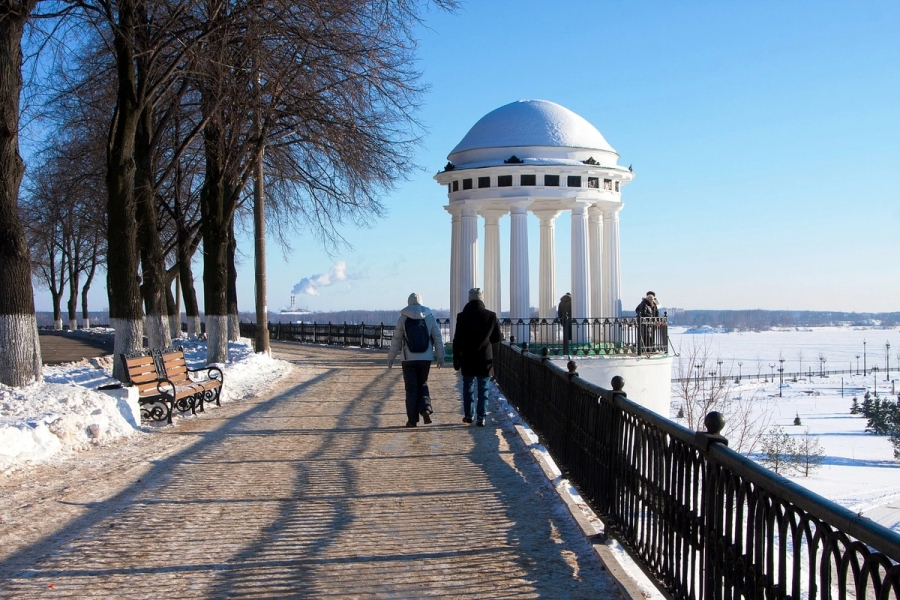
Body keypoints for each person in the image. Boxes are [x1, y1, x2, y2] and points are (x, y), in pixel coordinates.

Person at [387, 293, 445, 427]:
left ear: (409, 303)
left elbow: (396, 340)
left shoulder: (403, 318)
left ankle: (412, 420)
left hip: (409, 359)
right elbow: (437, 337)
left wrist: (391, 357)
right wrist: (440, 356)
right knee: (423, 383)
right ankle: (425, 409)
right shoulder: (429, 316)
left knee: (411, 388)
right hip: (425, 358)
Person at [452, 288, 502, 427]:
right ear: (481, 299)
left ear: (469, 298)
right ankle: (481, 417)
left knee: (468, 386)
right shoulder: (491, 316)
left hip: (467, 357)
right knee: (483, 388)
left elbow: (457, 340)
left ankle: (469, 414)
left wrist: (456, 358)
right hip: (484, 358)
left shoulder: (462, 316)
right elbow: (497, 337)